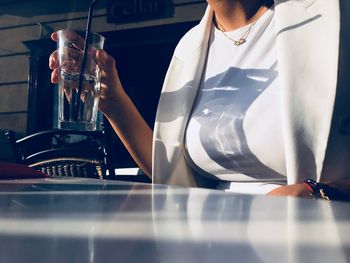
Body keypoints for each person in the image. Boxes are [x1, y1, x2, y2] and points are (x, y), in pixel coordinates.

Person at [49, 0, 350, 200]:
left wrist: (321, 193)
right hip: (208, 241)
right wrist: (113, 101)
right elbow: (173, 173)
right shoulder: (191, 45)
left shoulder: (334, 18)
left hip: (312, 239)